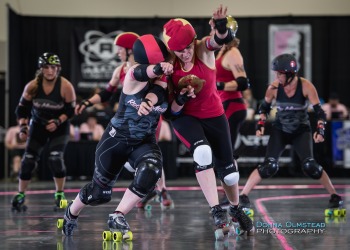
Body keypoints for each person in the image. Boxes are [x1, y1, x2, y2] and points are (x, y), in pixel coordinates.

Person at [61, 34, 175, 238]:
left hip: (143, 140)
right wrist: (157, 68)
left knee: (152, 169)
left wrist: (150, 102)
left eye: (120, 48)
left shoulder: (163, 81)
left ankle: (118, 214)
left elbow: (157, 90)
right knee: (99, 195)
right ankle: (71, 212)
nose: (118, 52)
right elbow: (142, 72)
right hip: (116, 140)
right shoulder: (130, 72)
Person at [162, 4, 254, 237]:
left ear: (193, 41)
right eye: (179, 50)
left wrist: (221, 26)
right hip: (185, 117)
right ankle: (216, 210)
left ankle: (234, 209)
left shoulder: (202, 49)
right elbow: (170, 113)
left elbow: (219, 41)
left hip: (214, 114)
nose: (185, 53)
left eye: (187, 47)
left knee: (230, 172)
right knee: (202, 153)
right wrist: (181, 98)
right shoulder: (169, 66)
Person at [239, 53, 344, 214]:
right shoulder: (274, 87)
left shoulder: (306, 86)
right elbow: (264, 109)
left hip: (301, 130)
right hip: (280, 129)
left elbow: (320, 113)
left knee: (310, 166)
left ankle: (335, 196)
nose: (277, 76)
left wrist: (320, 130)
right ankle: (243, 196)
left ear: (289, 74)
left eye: (279, 73)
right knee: (269, 166)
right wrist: (260, 125)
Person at [11, 52, 76, 212]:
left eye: (52, 67)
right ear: (41, 69)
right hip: (38, 126)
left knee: (55, 159)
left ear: (57, 69)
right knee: (28, 161)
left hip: (59, 127)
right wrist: (23, 127)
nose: (49, 71)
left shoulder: (65, 86)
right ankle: (21, 194)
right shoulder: (32, 86)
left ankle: (59, 194)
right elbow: (22, 109)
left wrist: (58, 121)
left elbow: (71, 111)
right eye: (46, 67)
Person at [211, 20, 251, 207]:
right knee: (222, 153)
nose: (213, 31)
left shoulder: (233, 53)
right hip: (224, 105)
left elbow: (243, 82)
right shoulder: (221, 51)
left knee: (226, 155)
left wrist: (218, 85)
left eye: (216, 29)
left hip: (232, 106)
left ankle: (232, 196)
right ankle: (229, 194)